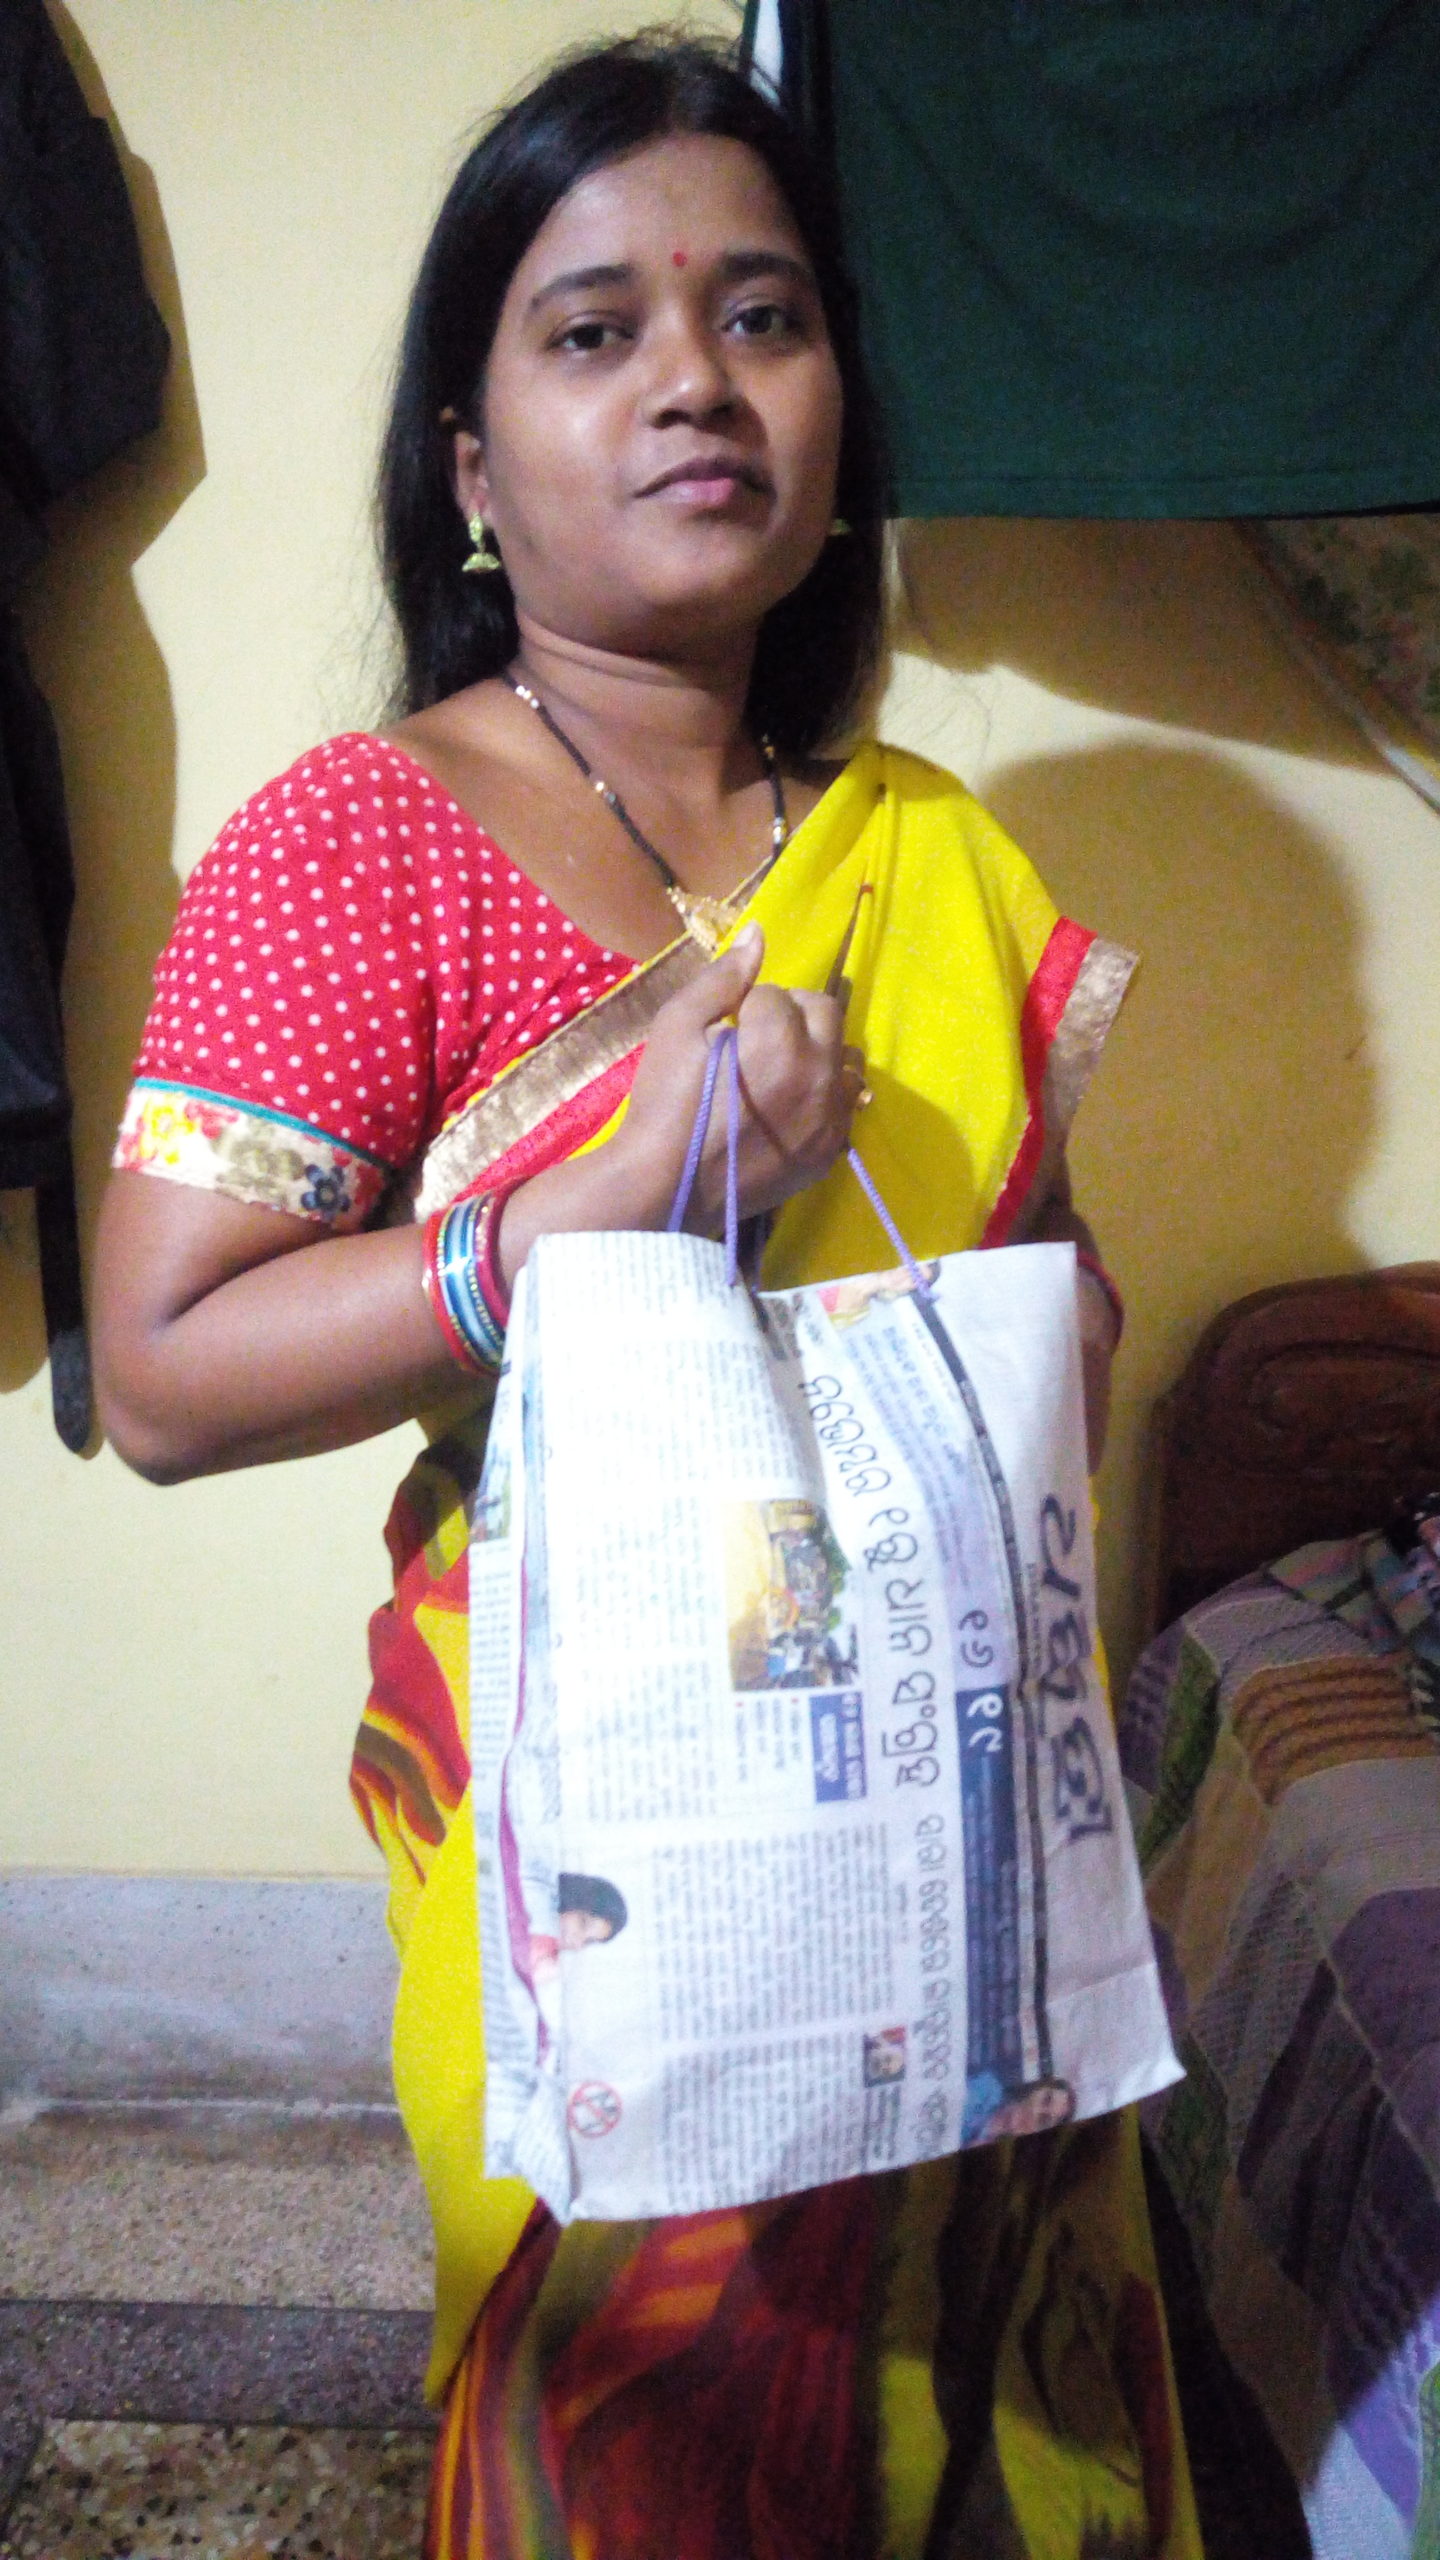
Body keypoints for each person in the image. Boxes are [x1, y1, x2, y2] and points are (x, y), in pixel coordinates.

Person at [94, 35, 1196, 2559]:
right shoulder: (361, 837)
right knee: (643, 2422)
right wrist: (600, 1202)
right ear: (472, 470)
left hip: (945, 1802)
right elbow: (159, 1373)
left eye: (763, 316)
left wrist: (1054, 1335)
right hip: (589, 1820)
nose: (697, 378)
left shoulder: (936, 854)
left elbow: (1049, 1300)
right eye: (595, 330)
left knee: (978, 2376)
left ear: (839, 421)